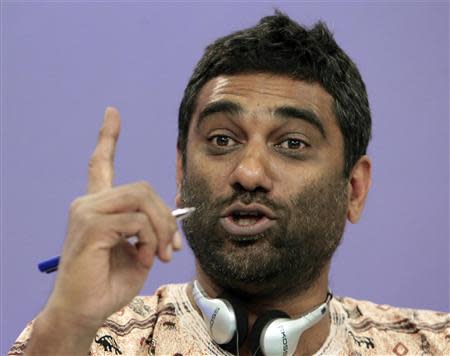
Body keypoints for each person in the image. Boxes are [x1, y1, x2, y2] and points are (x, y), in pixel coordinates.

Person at [9, 11, 449, 356]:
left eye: (292, 143)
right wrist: (67, 323)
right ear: (181, 174)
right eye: (222, 139)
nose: (249, 174)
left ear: (354, 189)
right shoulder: (82, 342)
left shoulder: (436, 345)